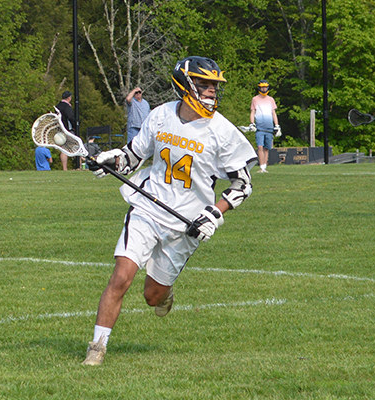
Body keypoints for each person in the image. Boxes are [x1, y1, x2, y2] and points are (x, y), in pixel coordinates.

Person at [83, 56, 257, 366]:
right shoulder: (161, 115)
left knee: (153, 296)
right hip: (147, 207)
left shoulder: (222, 131)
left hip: (186, 224)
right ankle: (96, 349)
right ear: (185, 84)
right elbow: (134, 156)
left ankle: (166, 293)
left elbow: (243, 184)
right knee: (121, 276)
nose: (211, 92)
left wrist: (214, 213)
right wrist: (113, 161)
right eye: (204, 85)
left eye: (214, 86)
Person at [249, 80, 281, 173]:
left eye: (265, 87)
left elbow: (273, 113)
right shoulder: (255, 99)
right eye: (262, 87)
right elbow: (252, 112)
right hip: (259, 127)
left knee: (267, 148)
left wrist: (277, 125)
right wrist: (252, 123)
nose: (264, 89)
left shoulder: (271, 99)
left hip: (269, 127)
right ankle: (261, 166)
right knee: (260, 146)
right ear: (259, 88)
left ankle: (264, 167)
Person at [55, 91, 76, 170]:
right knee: (77, 144)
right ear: (69, 98)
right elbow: (70, 117)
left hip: (59, 129)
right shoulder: (66, 107)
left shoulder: (58, 106)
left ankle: (64, 167)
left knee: (63, 148)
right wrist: (75, 126)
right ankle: (80, 165)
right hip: (67, 129)